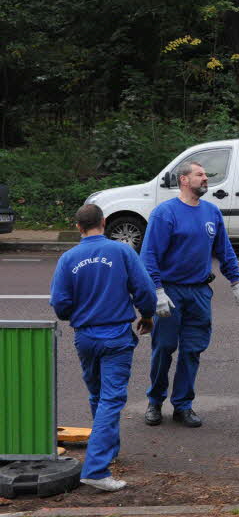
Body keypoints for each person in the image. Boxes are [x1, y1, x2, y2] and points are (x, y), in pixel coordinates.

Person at [49, 204, 157, 492]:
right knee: (110, 399)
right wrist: (146, 315)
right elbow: (145, 290)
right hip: (116, 335)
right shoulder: (121, 252)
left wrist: (77, 315)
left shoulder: (68, 258)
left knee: (98, 395)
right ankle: (96, 469)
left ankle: (107, 449)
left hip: (85, 336)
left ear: (77, 226)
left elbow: (59, 304)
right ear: (105, 222)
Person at [139, 160, 239, 428]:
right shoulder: (165, 213)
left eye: (205, 175)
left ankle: (183, 405)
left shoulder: (211, 213)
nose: (205, 178)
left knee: (192, 350)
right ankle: (155, 402)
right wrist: (157, 291)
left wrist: (236, 281)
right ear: (184, 180)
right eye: (199, 174)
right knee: (164, 348)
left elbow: (224, 250)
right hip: (171, 291)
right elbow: (149, 255)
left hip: (199, 292)